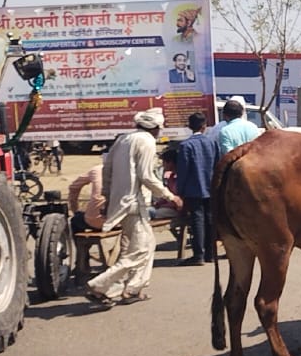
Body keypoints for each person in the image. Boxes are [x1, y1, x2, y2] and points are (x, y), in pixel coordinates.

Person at [85, 108, 182, 306]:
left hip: (122, 203)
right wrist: (170, 196)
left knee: (145, 246)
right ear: (154, 128)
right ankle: (100, 285)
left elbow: (108, 172)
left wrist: (107, 199)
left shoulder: (122, 140)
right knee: (139, 251)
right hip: (134, 204)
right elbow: (146, 176)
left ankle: (132, 288)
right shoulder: (146, 141)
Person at [176, 111, 220, 265]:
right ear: (205, 126)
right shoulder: (212, 143)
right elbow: (217, 165)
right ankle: (210, 253)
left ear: (189, 126)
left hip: (193, 189)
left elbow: (183, 171)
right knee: (210, 220)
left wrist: (179, 191)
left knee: (197, 221)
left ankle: (198, 255)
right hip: (210, 187)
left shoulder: (185, 145)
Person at [67, 161, 105, 233]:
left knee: (76, 220)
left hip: (95, 220)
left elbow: (73, 187)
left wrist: (74, 209)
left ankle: (79, 243)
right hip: (120, 221)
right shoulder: (126, 171)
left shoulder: (96, 169)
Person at [150, 150, 180, 219]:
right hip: (166, 207)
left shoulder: (180, 179)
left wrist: (163, 205)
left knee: (149, 212)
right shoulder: (171, 177)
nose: (163, 165)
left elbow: (177, 202)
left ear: (170, 163)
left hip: (174, 210)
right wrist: (159, 204)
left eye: (164, 162)